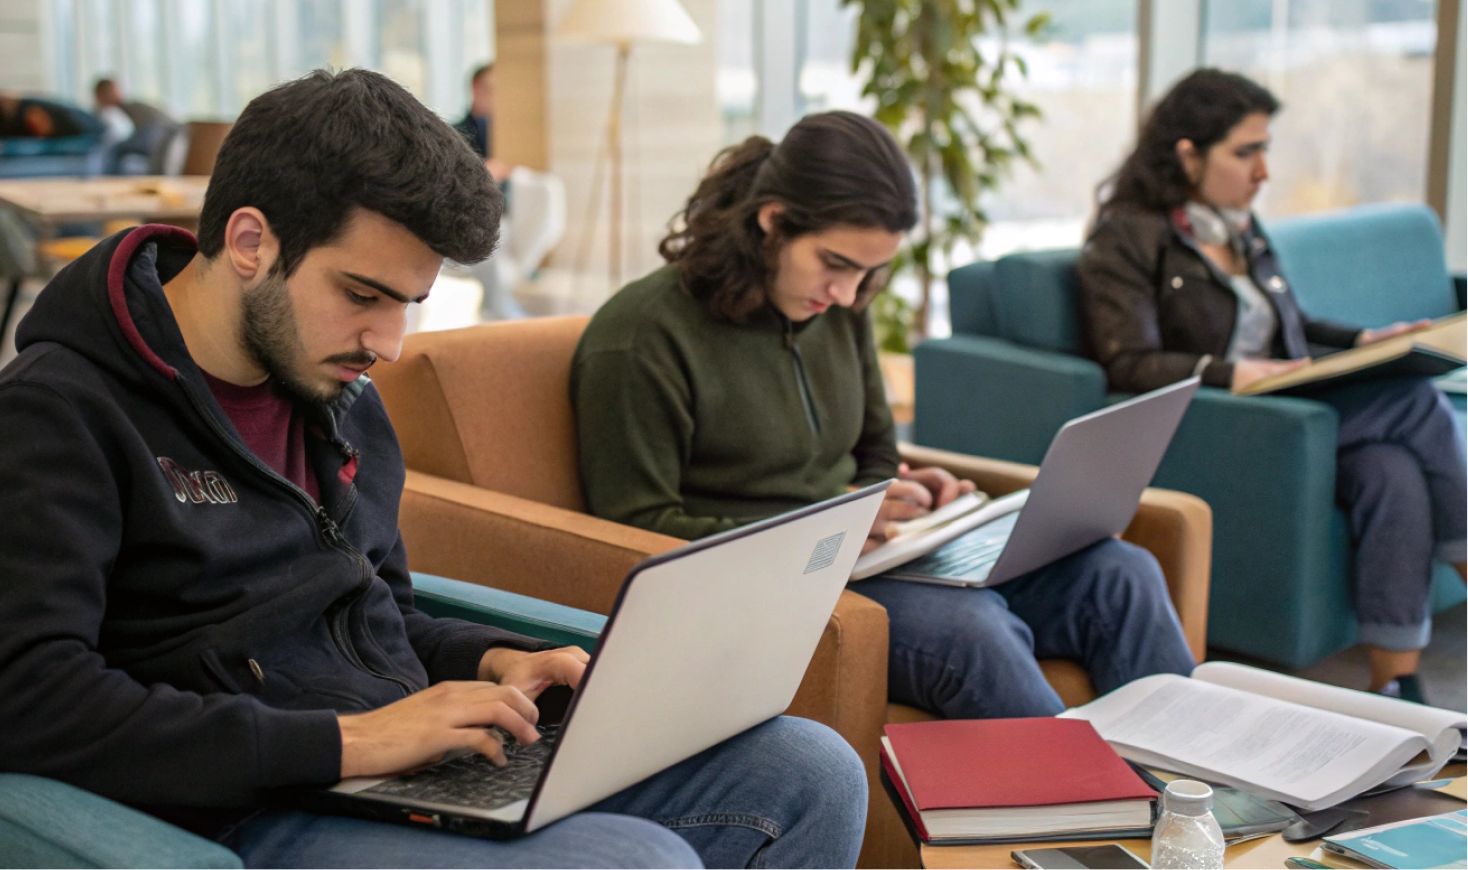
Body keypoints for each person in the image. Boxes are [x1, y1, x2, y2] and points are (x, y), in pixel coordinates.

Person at [0, 69, 867, 870]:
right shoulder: (59, 411)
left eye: (410, 303)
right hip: (243, 801)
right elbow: (31, 700)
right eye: (363, 294)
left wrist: (491, 657)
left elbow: (379, 615)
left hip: (406, 762)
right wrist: (352, 743)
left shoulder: (341, 395)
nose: (390, 344)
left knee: (808, 770)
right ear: (252, 240)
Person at [570, 110, 1196, 721]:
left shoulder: (840, 305)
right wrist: (824, 527)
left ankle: (1205, 799)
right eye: (836, 264)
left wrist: (903, 498)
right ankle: (1089, 819)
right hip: (769, 588)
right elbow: (637, 530)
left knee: (1122, 572)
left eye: (870, 271)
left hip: (869, 560)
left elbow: (873, 454)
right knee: (972, 631)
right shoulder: (642, 337)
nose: (847, 294)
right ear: (772, 221)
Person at [1076, 67, 1468, 704]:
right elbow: (1127, 362)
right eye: (1245, 152)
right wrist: (1233, 372)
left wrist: (1362, 341)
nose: (1263, 171)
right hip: (1232, 421)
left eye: (1265, 150)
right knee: (1418, 404)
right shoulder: (1128, 235)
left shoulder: (1238, 225)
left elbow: (1293, 322)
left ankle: (1395, 686)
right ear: (1188, 153)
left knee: (1390, 471)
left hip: (1289, 412)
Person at [93, 76, 181, 174]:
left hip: (162, 133)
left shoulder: (126, 109)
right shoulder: (132, 107)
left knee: (115, 150)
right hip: (169, 135)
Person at [454, 63, 509, 183]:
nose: (494, 99)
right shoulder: (454, 135)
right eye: (489, 90)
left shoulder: (508, 136)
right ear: (475, 88)